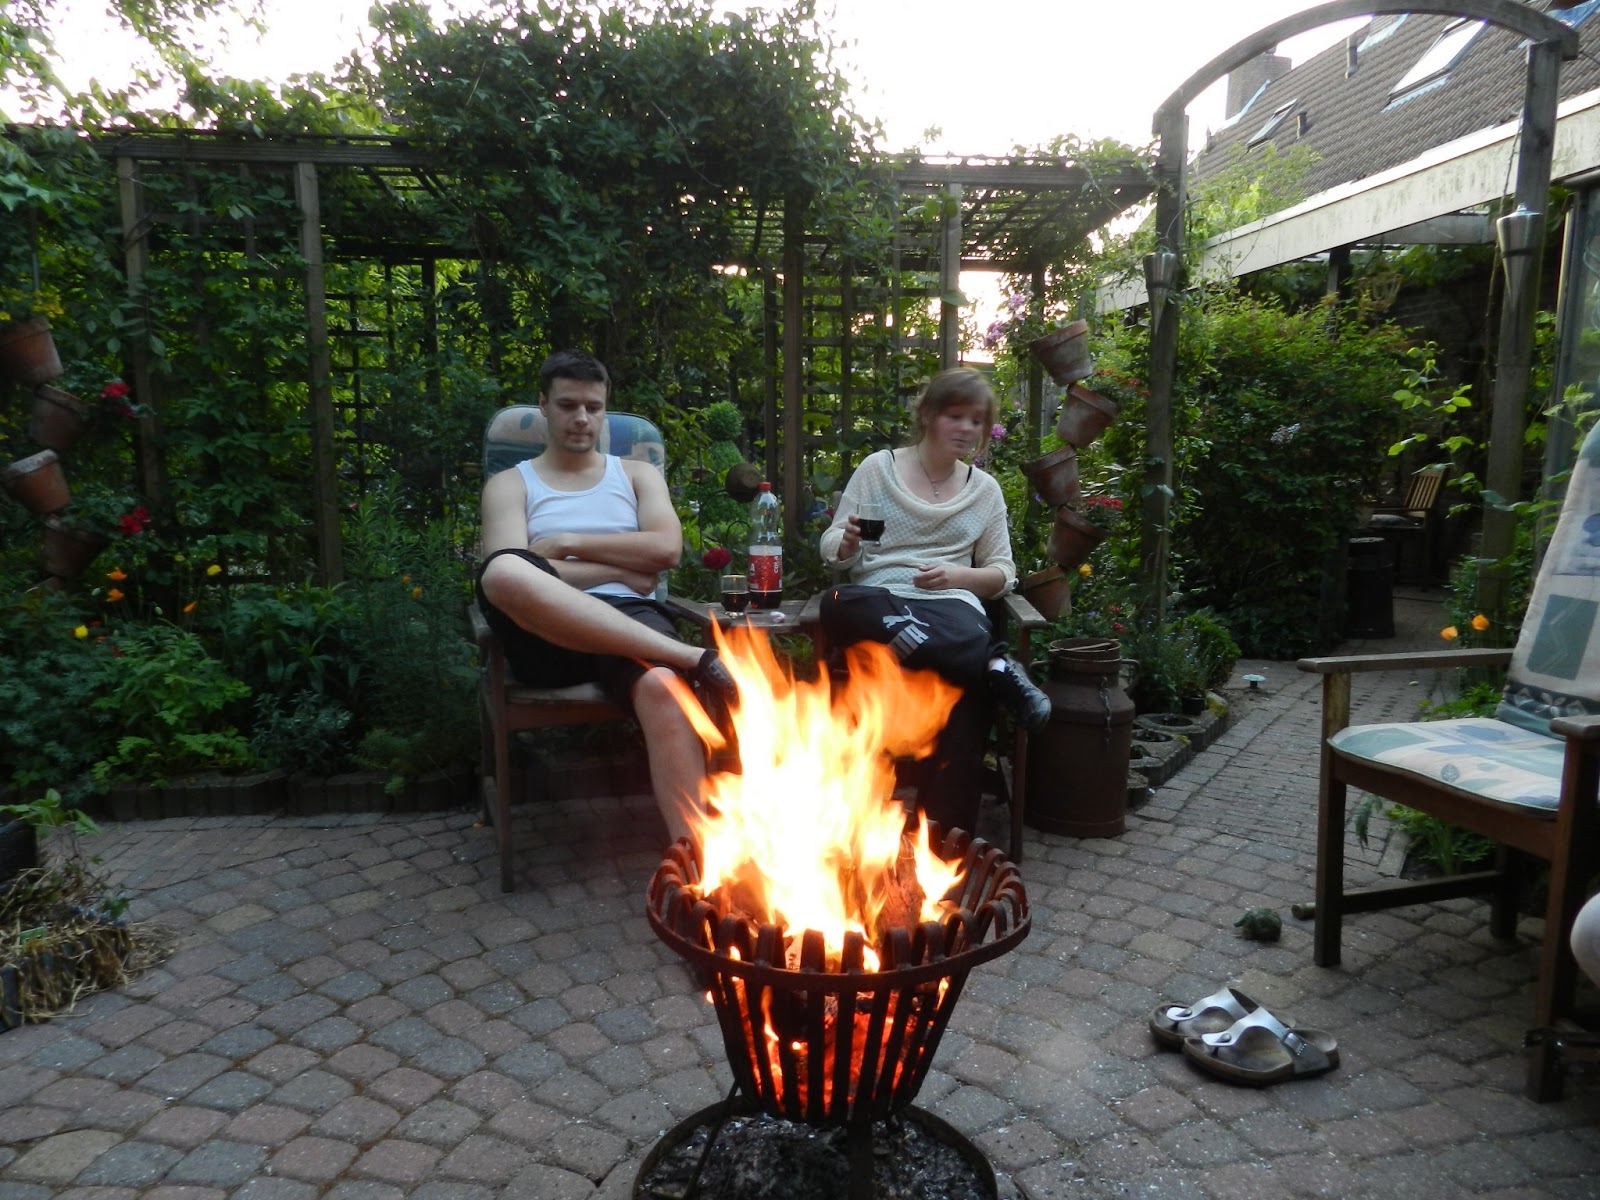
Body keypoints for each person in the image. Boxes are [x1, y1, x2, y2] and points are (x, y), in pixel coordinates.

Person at [476, 349, 733, 845]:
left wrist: (567, 543)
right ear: (543, 405)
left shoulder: (636, 475)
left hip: (631, 617)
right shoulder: (511, 484)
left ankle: (695, 857)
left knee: (664, 688)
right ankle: (694, 657)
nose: (582, 418)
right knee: (503, 569)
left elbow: (667, 550)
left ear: (604, 409)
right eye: (568, 405)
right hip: (545, 634)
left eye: (593, 407)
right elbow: (513, 571)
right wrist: (619, 569)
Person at [816, 366, 1051, 837]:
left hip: (948, 608)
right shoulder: (878, 469)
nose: (966, 429)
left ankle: (944, 836)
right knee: (837, 601)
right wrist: (847, 545)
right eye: (955, 416)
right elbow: (834, 545)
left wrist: (958, 576)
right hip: (881, 599)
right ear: (927, 415)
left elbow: (1003, 572)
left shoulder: (984, 491)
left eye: (977, 421)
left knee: (966, 675)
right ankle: (995, 665)